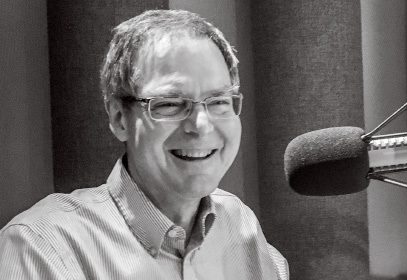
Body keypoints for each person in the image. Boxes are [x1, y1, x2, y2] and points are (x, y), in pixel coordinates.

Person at [0, 10, 288, 280]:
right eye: (170, 104)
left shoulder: (242, 228)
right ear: (119, 118)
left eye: (219, 102)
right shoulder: (43, 245)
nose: (201, 124)